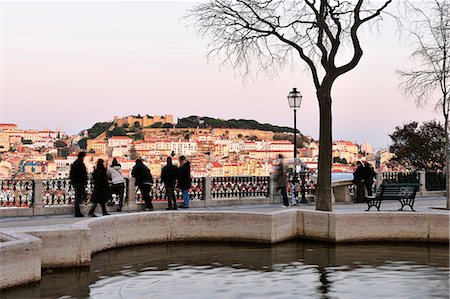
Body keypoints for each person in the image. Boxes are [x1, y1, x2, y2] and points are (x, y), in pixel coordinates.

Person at [69, 151, 88, 217]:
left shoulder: (74, 163)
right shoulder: (80, 164)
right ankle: (77, 212)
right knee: (79, 197)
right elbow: (84, 173)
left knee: (78, 196)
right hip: (80, 182)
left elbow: (71, 173)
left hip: (75, 182)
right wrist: (85, 180)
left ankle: (77, 211)